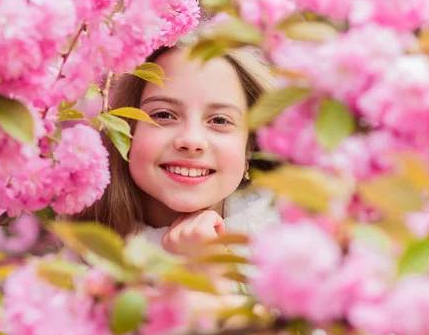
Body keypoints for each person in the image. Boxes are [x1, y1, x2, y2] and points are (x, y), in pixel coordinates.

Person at [77, 34, 280, 258]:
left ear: (249, 147)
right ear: (126, 129)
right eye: (164, 115)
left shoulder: (292, 249)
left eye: (220, 120)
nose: (191, 141)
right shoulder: (79, 270)